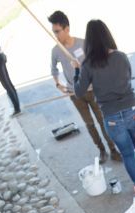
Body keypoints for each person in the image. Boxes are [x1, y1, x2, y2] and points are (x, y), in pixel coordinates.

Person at [74, 19, 135, 198]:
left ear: (88, 41)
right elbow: (127, 76)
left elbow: (79, 91)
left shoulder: (87, 65)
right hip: (132, 110)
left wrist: (77, 71)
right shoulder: (120, 56)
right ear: (106, 36)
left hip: (111, 117)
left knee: (127, 154)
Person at [47, 11, 121, 163]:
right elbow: (53, 69)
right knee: (89, 124)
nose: (55, 35)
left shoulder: (84, 43)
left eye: (57, 31)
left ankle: (113, 150)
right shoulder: (56, 50)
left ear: (67, 28)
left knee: (103, 121)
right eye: (53, 31)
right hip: (75, 94)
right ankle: (101, 150)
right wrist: (58, 84)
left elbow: (98, 61)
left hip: (93, 90)